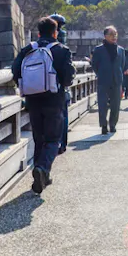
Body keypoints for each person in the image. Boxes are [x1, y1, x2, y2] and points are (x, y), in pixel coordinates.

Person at [13, 17, 75, 194]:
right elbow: (68, 77)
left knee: (39, 138)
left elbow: (15, 71)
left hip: (33, 101)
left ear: (38, 33)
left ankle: (40, 179)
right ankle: (42, 168)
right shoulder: (61, 50)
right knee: (53, 139)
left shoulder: (28, 49)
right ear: (56, 32)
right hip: (54, 100)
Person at [91, 26, 126, 135]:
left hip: (117, 80)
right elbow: (94, 65)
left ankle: (113, 124)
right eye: (111, 34)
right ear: (105, 36)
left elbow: (122, 64)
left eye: (115, 34)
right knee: (102, 104)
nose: (114, 36)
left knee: (116, 104)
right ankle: (103, 125)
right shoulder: (98, 50)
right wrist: (100, 74)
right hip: (103, 80)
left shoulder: (121, 50)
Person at [50, 13, 70, 154]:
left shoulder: (37, 44)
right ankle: (62, 143)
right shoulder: (63, 41)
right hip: (60, 82)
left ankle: (50, 144)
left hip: (44, 83)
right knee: (62, 114)